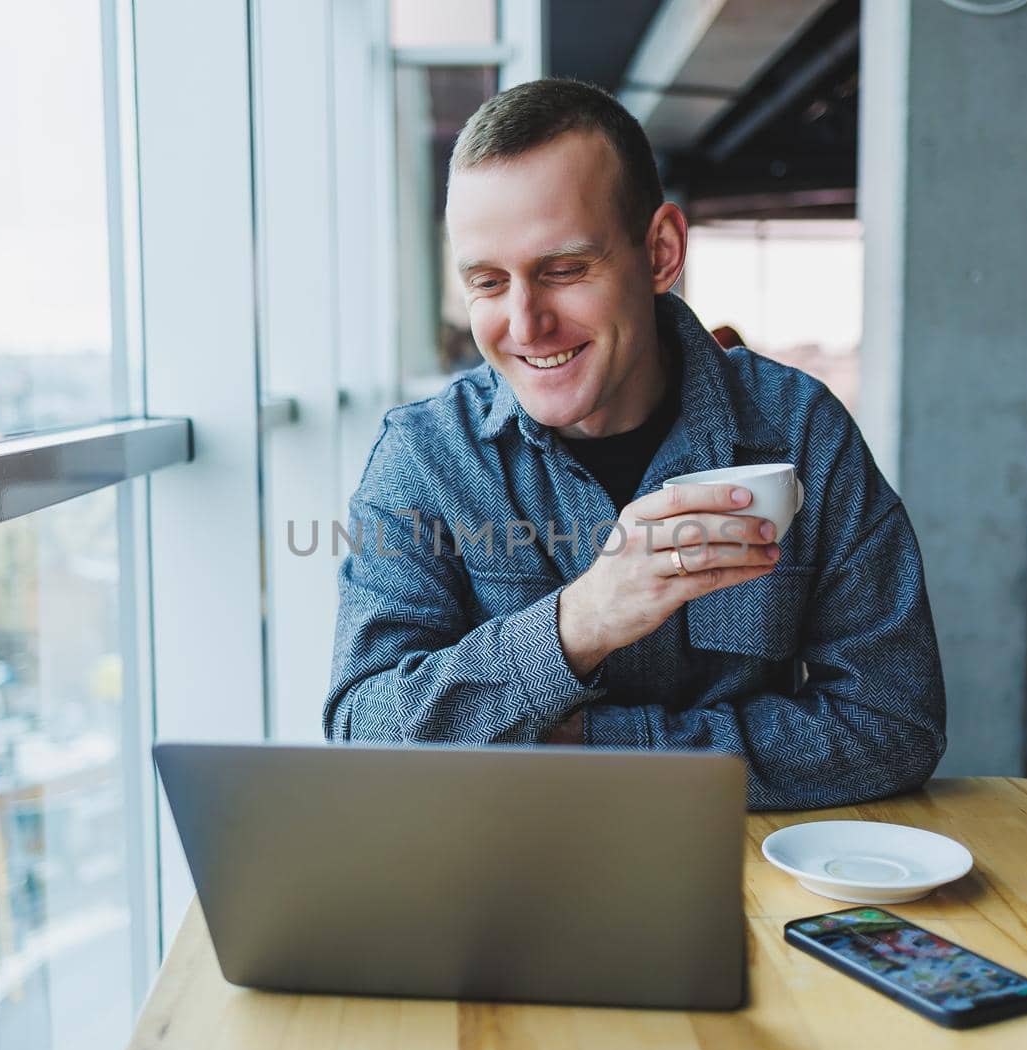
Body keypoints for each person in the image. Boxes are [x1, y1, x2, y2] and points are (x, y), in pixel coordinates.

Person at [323, 79, 945, 809]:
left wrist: (600, 746)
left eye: (562, 271)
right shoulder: (424, 457)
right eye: (489, 282)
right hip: (500, 882)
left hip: (742, 873)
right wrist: (579, 622)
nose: (525, 326)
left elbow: (895, 723)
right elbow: (365, 731)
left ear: (660, 252)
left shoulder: (799, 428)